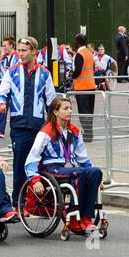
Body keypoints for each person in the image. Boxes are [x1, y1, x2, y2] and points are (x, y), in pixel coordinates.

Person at [24, 97, 103, 232]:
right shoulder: (46, 132)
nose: (70, 111)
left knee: (95, 172)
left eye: (70, 108)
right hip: (52, 169)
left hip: (69, 167)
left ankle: (86, 217)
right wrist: (35, 180)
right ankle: (74, 219)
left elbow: (83, 158)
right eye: (65, 109)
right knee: (81, 174)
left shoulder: (74, 131)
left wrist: (96, 179)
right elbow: (32, 158)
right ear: (55, 112)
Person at [0, 36, 56, 211]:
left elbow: (51, 102)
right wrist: (1, 104)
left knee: (40, 165)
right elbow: (3, 93)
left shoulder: (44, 73)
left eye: (24, 51)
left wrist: (52, 126)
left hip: (39, 128)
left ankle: (37, 201)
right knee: (20, 165)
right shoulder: (12, 71)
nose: (20, 54)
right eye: (20, 50)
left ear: (34, 52)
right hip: (19, 127)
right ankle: (18, 202)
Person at [0, 36, 21, 138]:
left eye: (5, 45)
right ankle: (1, 130)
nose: (3, 47)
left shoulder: (18, 57)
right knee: (2, 106)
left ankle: (16, 129)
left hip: (15, 86)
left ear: (11, 45)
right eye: (2, 45)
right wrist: (0, 58)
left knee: (15, 108)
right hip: (4, 85)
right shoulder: (3, 57)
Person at [72, 33, 96, 143]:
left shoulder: (80, 54)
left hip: (82, 86)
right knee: (90, 111)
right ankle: (89, 133)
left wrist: (70, 76)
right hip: (91, 85)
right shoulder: (89, 53)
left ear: (77, 42)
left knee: (83, 111)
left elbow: (77, 71)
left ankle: (87, 134)